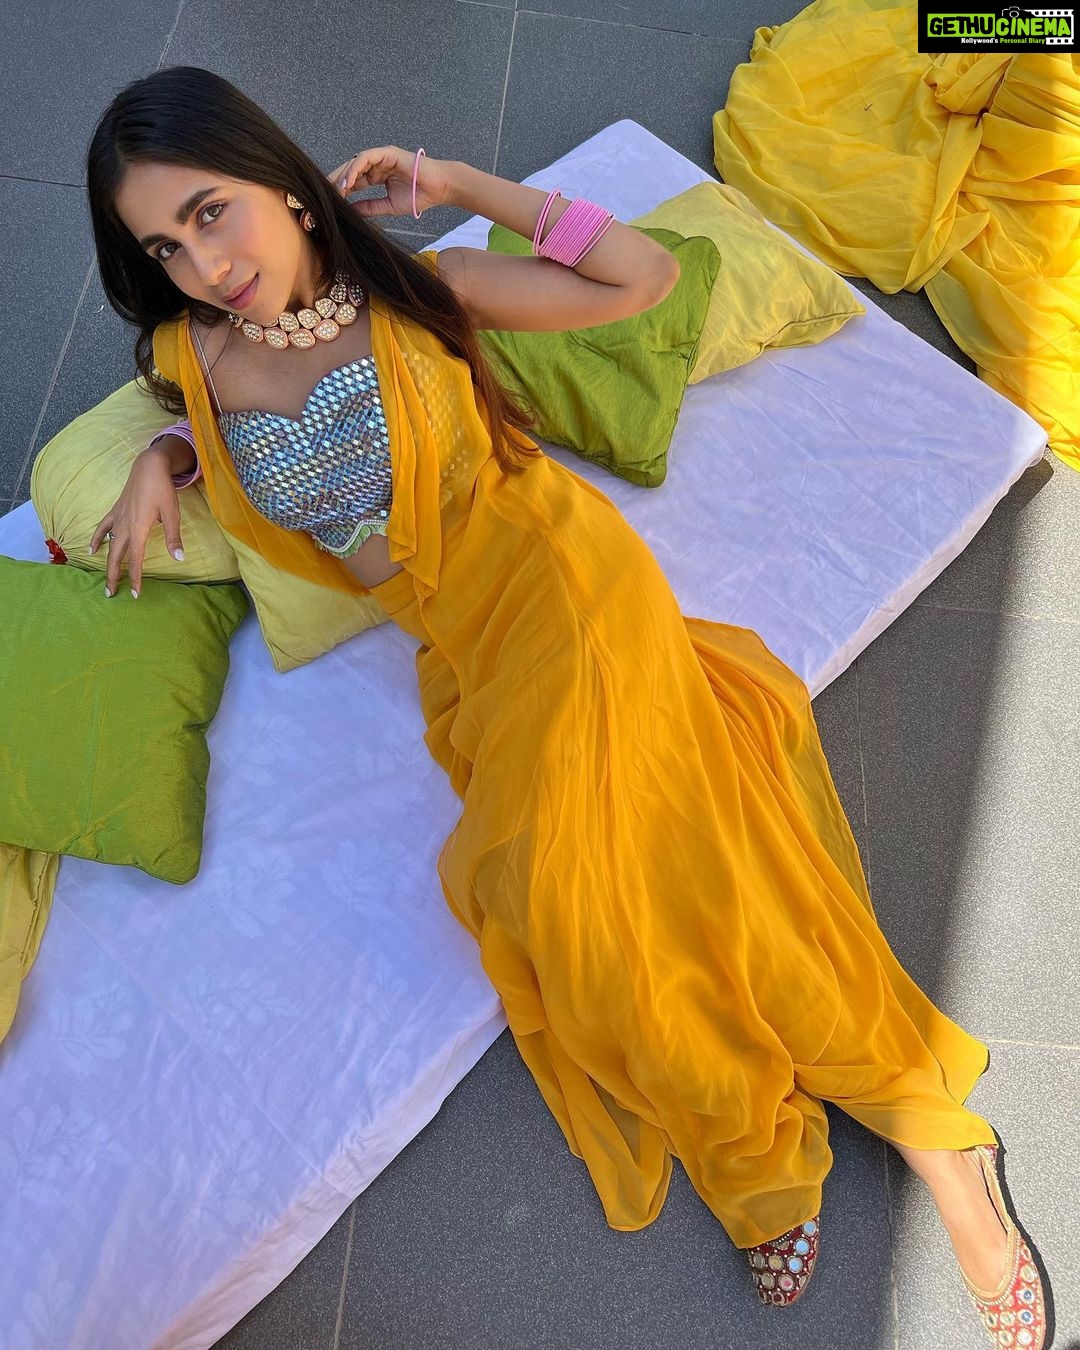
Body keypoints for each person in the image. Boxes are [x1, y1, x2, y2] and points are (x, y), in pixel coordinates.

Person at [85, 66, 1048, 1348]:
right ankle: (872, 1125)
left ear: (291, 189)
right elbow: (213, 429)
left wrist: (460, 185)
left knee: (576, 893)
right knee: (657, 870)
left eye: (213, 212)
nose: (205, 265)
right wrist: (163, 463)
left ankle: (884, 1143)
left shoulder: (426, 294)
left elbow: (637, 280)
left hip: (565, 589)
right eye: (165, 244)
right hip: (463, 651)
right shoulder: (191, 354)